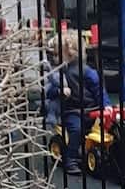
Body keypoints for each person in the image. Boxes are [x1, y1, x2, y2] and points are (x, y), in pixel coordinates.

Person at [45, 29, 106, 175]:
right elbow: (49, 92)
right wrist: (59, 91)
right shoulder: (59, 74)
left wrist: (106, 106)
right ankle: (70, 160)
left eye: (58, 55)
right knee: (76, 130)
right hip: (72, 112)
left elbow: (99, 91)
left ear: (70, 54)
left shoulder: (88, 72)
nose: (55, 59)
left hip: (92, 111)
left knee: (107, 129)